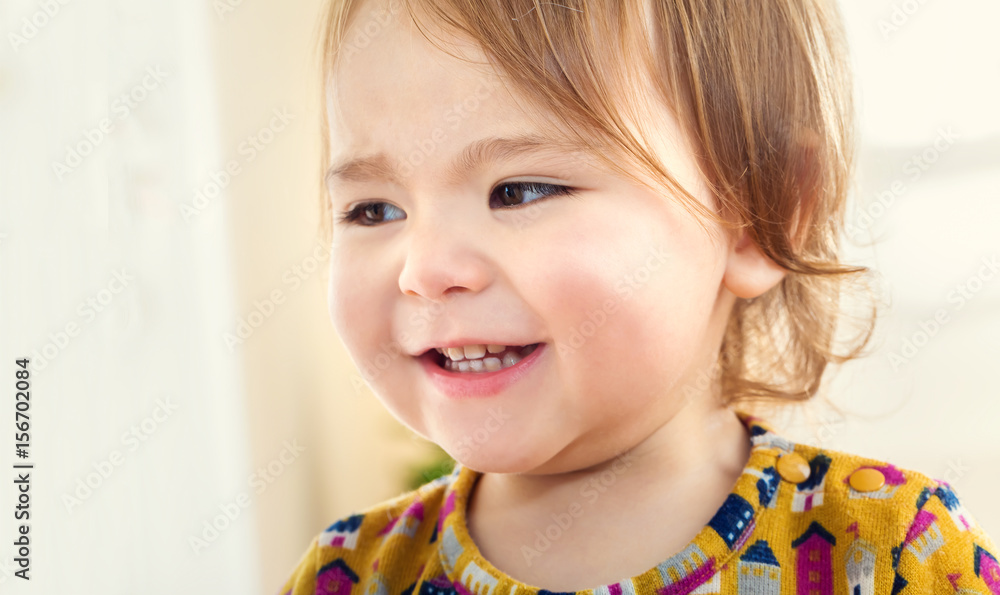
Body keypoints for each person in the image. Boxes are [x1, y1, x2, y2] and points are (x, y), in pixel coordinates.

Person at [280, 0, 1000, 593]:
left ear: (760, 215)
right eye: (372, 210)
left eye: (520, 190)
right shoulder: (346, 576)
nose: (424, 268)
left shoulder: (895, 552)